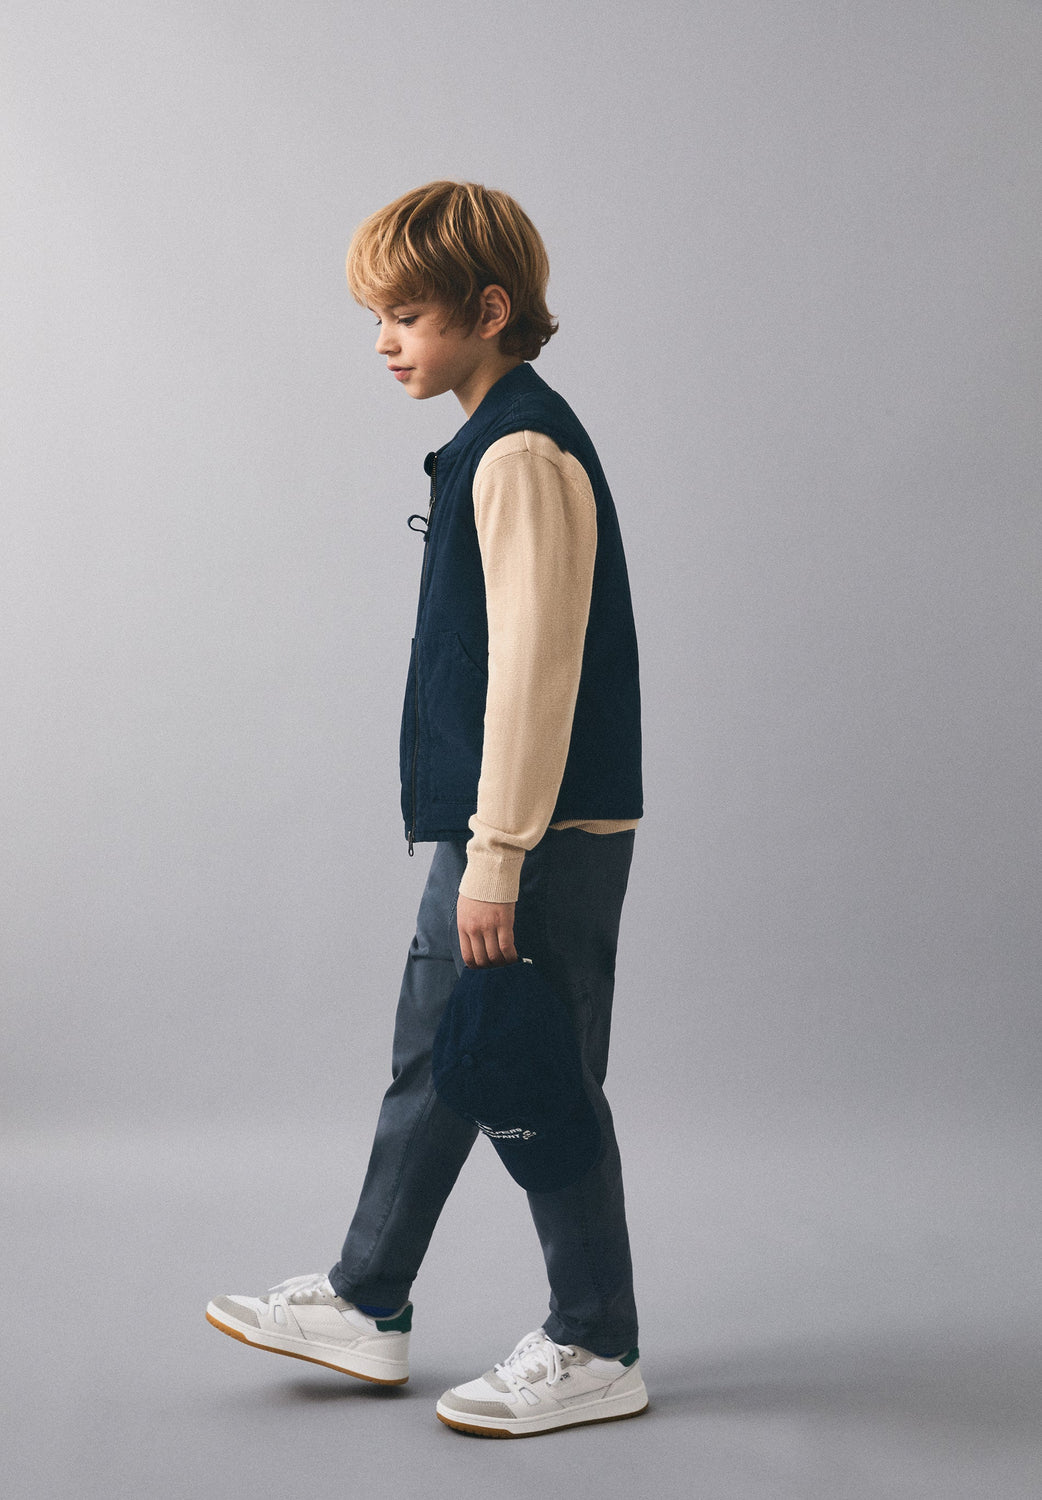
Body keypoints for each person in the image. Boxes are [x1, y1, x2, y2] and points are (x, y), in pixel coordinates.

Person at [206, 180, 647, 1438]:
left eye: (405, 314)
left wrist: (496, 858)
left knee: (538, 1075)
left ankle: (596, 1341)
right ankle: (368, 1297)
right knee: (441, 1058)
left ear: (487, 310)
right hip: (502, 830)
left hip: (536, 838)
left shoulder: (520, 453)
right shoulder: (486, 442)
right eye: (377, 318)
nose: (384, 341)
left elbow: (536, 673)